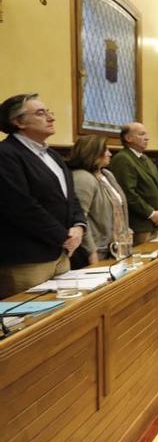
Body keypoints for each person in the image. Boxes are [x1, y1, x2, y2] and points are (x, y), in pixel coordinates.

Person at [0, 94, 87, 297]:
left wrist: (79, 226)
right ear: (18, 122)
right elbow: (20, 206)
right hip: (28, 259)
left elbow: (71, 198)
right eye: (41, 113)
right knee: (34, 323)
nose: (50, 118)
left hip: (61, 253)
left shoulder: (53, 155)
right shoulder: (6, 154)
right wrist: (63, 237)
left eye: (49, 112)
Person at [69, 135, 130, 265]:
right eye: (106, 150)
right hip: (97, 251)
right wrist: (92, 253)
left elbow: (120, 207)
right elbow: (81, 219)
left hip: (116, 247)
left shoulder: (107, 174)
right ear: (93, 152)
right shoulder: (82, 178)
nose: (110, 153)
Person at [109, 122, 158, 245]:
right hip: (140, 225)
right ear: (128, 138)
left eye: (146, 134)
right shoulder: (123, 158)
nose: (147, 137)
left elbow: (157, 188)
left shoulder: (145, 158)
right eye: (142, 134)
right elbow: (128, 193)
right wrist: (151, 214)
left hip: (157, 221)